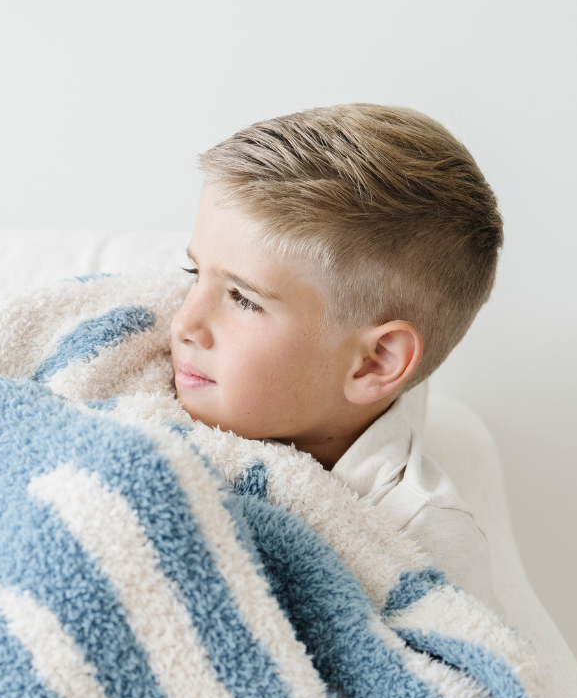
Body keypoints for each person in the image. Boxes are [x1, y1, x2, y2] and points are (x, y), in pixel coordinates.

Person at [170, 104, 501, 608]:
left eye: (243, 299)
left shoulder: (419, 540)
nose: (183, 324)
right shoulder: (142, 382)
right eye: (194, 274)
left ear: (374, 363)